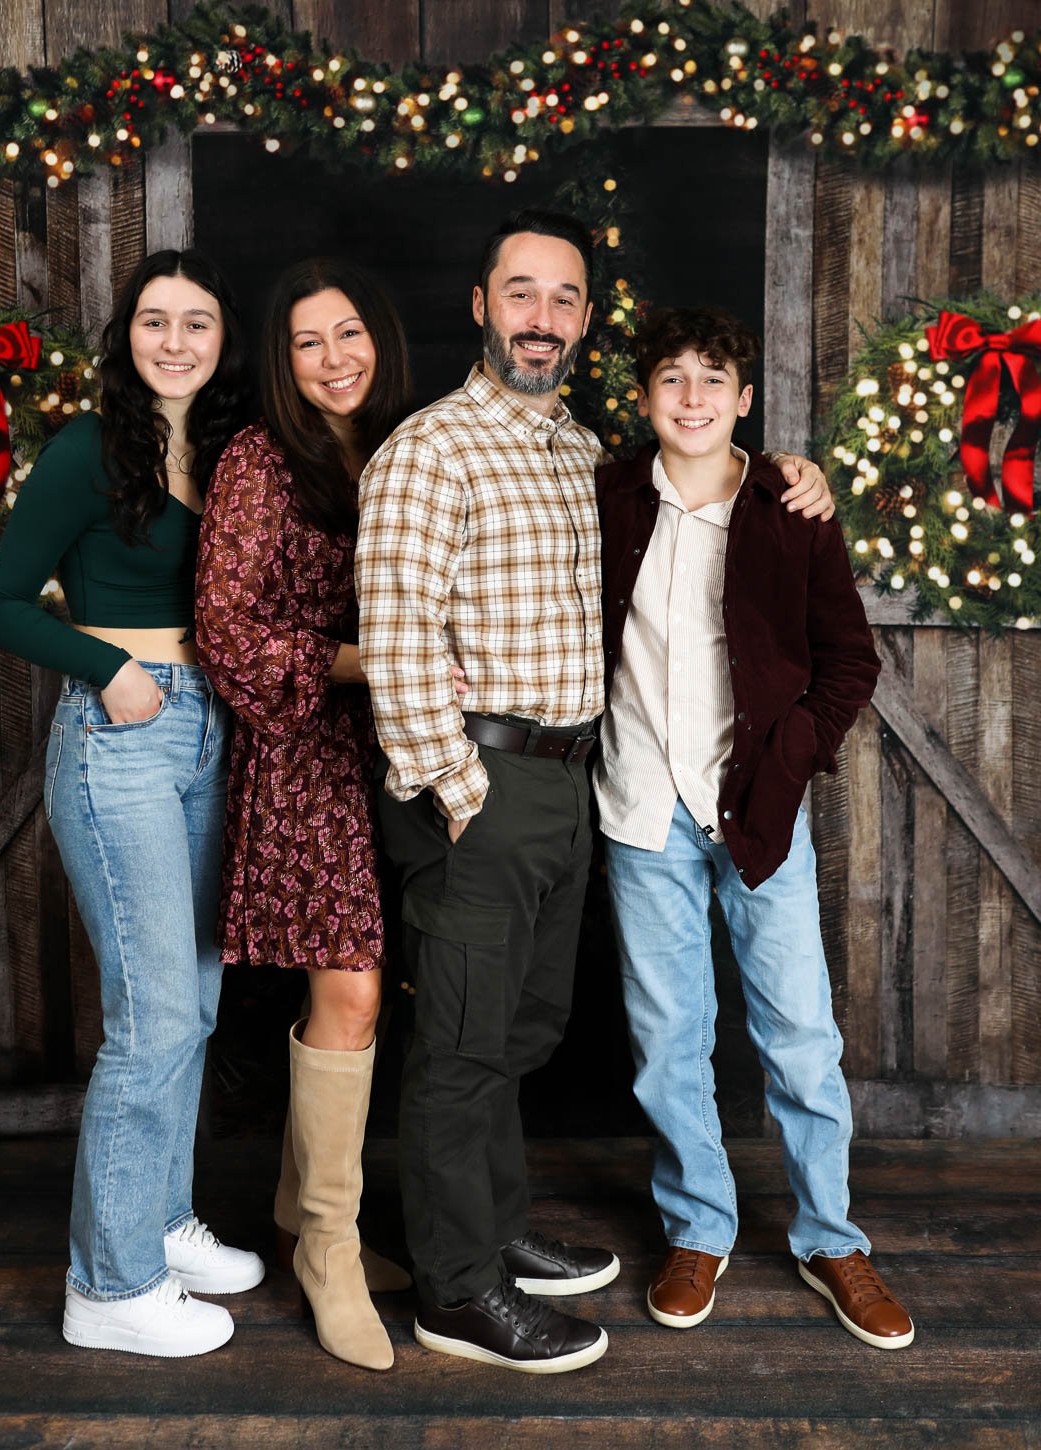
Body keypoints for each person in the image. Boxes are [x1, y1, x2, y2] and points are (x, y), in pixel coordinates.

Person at [354, 210, 837, 1373]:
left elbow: (699, 504)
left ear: (583, 319)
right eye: (520, 293)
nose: (542, 318)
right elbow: (397, 628)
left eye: (563, 299)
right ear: (480, 306)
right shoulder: (431, 448)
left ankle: (491, 1224)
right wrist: (455, 782)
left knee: (522, 1026)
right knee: (464, 1041)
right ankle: (456, 1292)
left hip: (575, 783)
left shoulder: (584, 454)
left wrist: (792, 477)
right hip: (481, 783)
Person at [595, 305, 914, 1349]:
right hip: (642, 806)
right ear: (646, 399)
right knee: (667, 1039)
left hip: (759, 812)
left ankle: (831, 1238)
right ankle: (699, 1226)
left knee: (801, 1038)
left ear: (744, 397)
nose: (692, 397)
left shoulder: (789, 506)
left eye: (712, 379)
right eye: (671, 379)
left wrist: (790, 754)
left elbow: (850, 661)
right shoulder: (606, 496)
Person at [0, 249, 263, 1358]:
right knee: (151, 1020)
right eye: (156, 321)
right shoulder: (88, 450)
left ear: (221, 340)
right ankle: (108, 1283)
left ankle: (156, 1219)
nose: (177, 341)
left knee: (192, 997)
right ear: (126, 335)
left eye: (198, 322)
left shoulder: (236, 457)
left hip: (213, 734)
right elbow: (1, 606)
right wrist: (104, 664)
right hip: (124, 737)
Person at [197, 257, 441, 1372]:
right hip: (303, 751)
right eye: (308, 342)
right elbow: (230, 635)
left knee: (366, 984)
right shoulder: (257, 461)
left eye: (349, 334)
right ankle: (331, 1252)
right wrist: (369, 660)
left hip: (400, 750)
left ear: (379, 339)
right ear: (283, 360)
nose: (334, 358)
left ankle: (303, 1215)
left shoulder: (402, 450)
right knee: (348, 982)